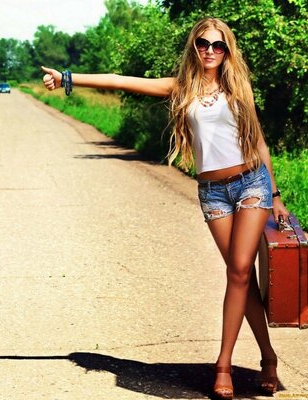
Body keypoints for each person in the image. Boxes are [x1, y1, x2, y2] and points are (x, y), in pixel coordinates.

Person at [41, 17, 288, 400]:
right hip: (213, 191)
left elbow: (258, 141)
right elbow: (121, 80)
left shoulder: (238, 86)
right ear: (194, 47)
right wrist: (69, 78)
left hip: (251, 183)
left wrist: (274, 196)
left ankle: (223, 366)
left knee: (239, 271)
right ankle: (268, 358)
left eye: (218, 45)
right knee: (241, 277)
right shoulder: (181, 89)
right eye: (203, 44)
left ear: (227, 50)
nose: (210, 50)